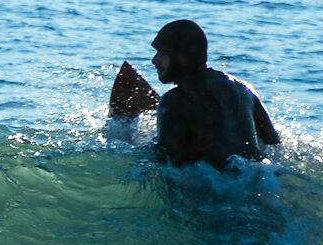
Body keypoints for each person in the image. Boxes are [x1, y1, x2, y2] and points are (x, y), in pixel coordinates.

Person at [111, 20, 280, 172]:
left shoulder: (174, 100)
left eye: (162, 53)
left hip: (212, 190)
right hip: (256, 181)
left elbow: (168, 163)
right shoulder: (245, 89)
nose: (154, 61)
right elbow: (273, 143)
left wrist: (130, 145)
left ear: (181, 57)